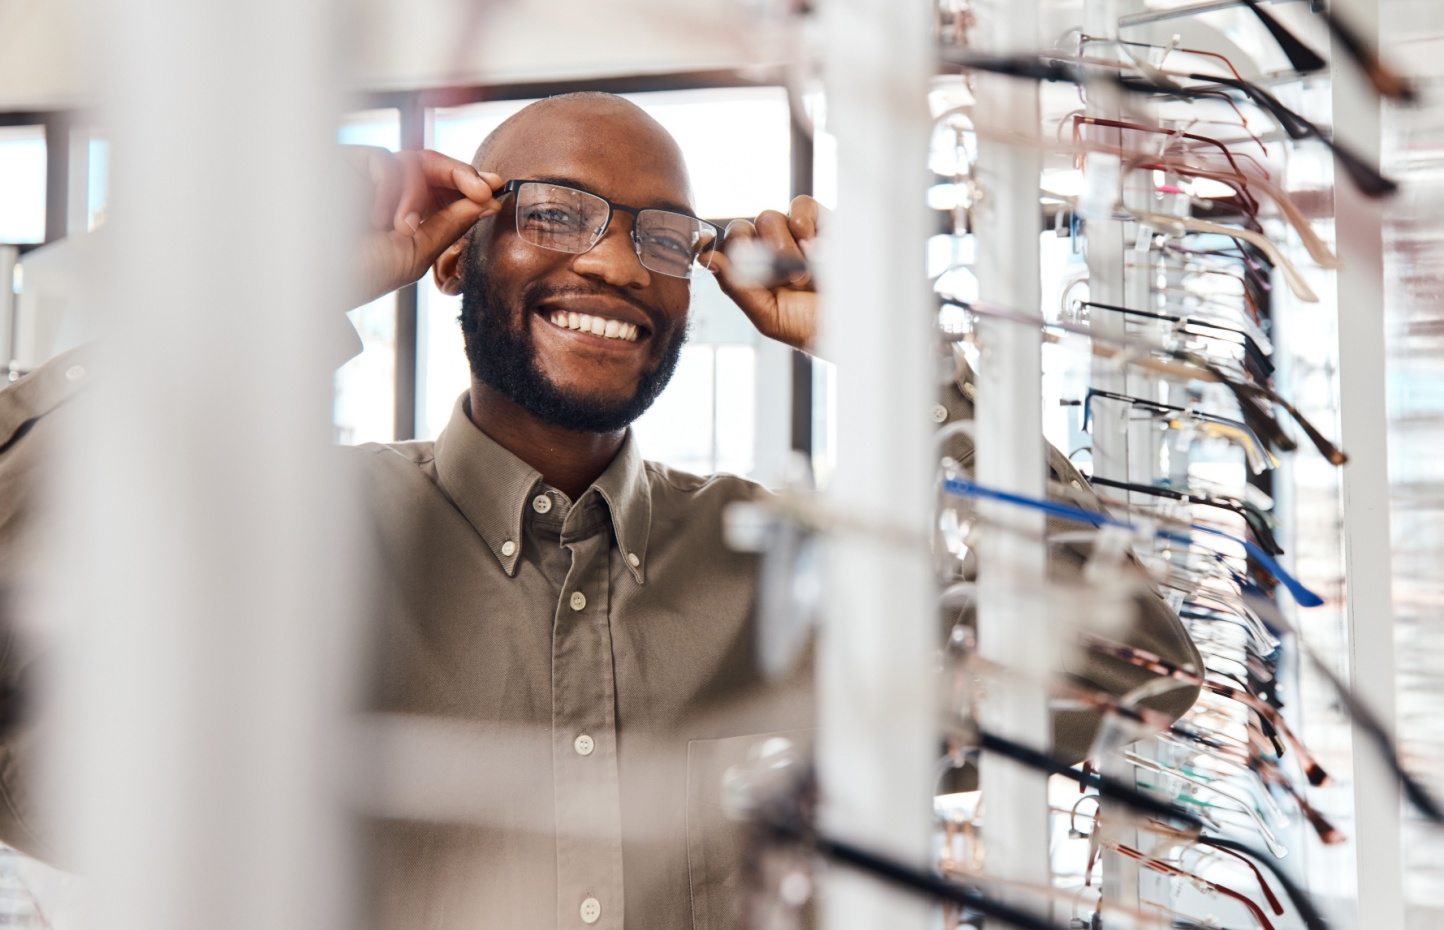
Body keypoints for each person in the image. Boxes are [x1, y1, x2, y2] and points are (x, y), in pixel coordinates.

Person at [0, 92, 1195, 930]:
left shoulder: (785, 572)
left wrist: (911, 364)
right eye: (556, 213)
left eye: (661, 239)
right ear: (457, 253)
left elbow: (1117, 669)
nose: (619, 268)